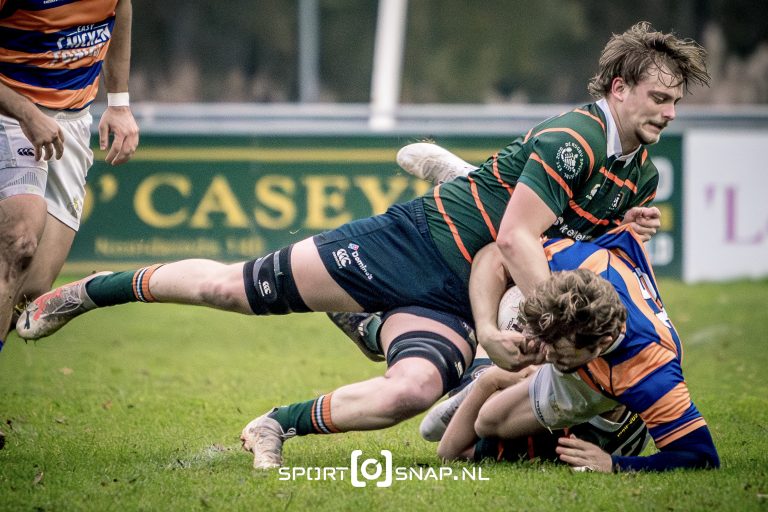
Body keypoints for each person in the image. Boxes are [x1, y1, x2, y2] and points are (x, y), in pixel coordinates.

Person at [16, 22, 708, 469]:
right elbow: (515, 239)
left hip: (463, 294)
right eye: (658, 98)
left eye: (676, 103)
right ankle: (90, 291)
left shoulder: (638, 173)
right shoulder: (575, 138)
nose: (668, 113)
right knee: (231, 289)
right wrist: (528, 332)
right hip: (413, 246)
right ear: (619, 88)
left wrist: (614, 238)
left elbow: (558, 246)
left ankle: (275, 424)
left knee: (410, 393)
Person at [435, 227, 719, 472]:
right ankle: (491, 375)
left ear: (601, 344)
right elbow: (497, 252)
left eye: (559, 353)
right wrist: (488, 331)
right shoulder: (579, 262)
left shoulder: (649, 373)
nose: (546, 355)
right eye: (547, 344)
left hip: (616, 375)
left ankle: (488, 377)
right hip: (595, 354)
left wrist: (614, 464)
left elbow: (701, 456)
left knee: (487, 422)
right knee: (485, 420)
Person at [0, 0, 139, 352]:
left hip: (72, 122)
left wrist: (119, 103)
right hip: (11, 112)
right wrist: (27, 114)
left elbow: (120, 7)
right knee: (20, 238)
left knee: (30, 295)